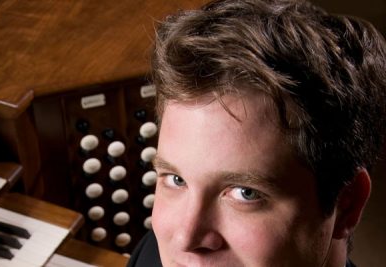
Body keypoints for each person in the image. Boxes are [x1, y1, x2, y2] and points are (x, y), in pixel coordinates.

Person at [127, 0, 386, 266]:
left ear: (346, 205)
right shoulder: (148, 255)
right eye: (176, 180)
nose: (185, 238)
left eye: (245, 193)